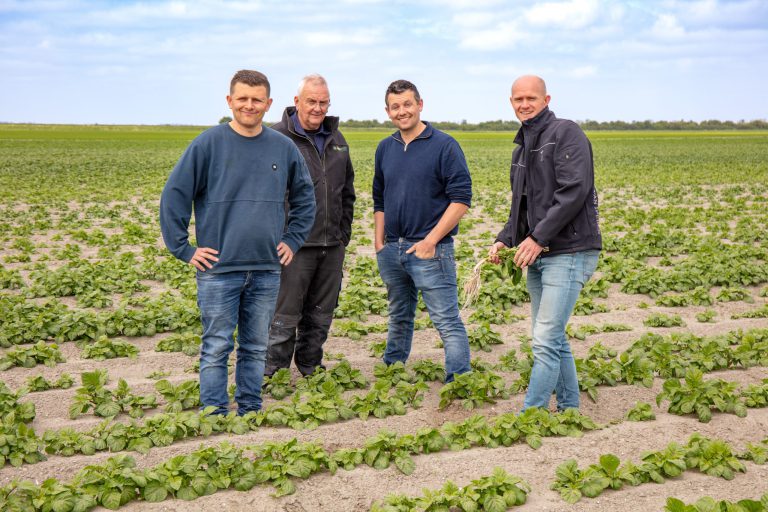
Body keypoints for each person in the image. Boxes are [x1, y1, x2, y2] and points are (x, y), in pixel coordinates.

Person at [160, 69, 316, 416]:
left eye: (257, 99)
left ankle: (249, 408)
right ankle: (215, 411)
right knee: (216, 346)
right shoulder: (208, 144)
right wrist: (183, 248)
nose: (249, 105)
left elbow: (306, 198)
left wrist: (292, 239)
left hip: (266, 269)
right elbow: (175, 195)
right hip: (218, 269)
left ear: (269, 103)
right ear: (230, 101)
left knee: (255, 347)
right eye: (242, 98)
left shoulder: (282, 147)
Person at [488, 75, 602, 412]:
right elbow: (523, 207)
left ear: (546, 100)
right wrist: (505, 239)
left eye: (531, 98)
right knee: (552, 336)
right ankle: (569, 408)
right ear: (511, 102)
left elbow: (574, 191)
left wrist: (538, 238)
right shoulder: (521, 148)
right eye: (518, 99)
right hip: (540, 255)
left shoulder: (566, 133)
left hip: (569, 251)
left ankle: (531, 414)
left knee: (544, 339)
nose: (524, 104)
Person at [373, 79, 472, 383]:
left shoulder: (444, 145)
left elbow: (461, 199)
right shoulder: (385, 148)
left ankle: (459, 380)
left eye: (407, 104)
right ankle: (392, 369)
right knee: (399, 315)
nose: (402, 111)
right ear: (388, 111)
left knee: (446, 320)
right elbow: (379, 198)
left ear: (420, 104)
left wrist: (431, 241)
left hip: (431, 251)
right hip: (392, 249)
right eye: (395, 106)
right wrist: (379, 242)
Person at [265, 74, 356, 377]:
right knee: (284, 313)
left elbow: (347, 191)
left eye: (323, 102)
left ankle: (310, 366)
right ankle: (274, 372)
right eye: (311, 101)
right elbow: (265, 194)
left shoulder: (337, 140)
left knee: (321, 313)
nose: (318, 108)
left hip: (331, 245)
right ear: (297, 101)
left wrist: (343, 234)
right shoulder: (276, 138)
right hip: (293, 246)